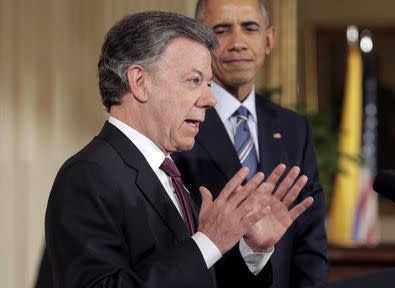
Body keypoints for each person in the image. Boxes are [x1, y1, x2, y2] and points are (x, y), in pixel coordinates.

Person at [45, 11, 315, 288]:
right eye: (194, 81)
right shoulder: (88, 175)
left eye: (208, 84)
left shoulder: (170, 173)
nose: (210, 99)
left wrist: (253, 251)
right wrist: (208, 241)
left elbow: (198, 275)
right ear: (139, 82)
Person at [172, 1, 329, 287]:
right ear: (199, 43)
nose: (237, 43)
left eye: (250, 28)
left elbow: (311, 242)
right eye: (221, 29)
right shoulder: (181, 124)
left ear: (269, 39)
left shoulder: (294, 128)